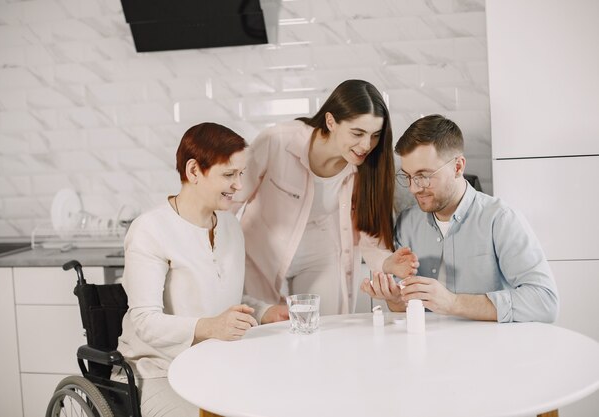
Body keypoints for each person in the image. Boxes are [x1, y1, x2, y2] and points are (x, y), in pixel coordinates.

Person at [113, 122, 289, 417]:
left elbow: (225, 300)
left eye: (241, 174)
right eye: (229, 174)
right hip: (158, 373)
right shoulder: (150, 230)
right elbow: (144, 320)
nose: (238, 185)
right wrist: (209, 326)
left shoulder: (230, 225)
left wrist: (265, 311)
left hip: (216, 365)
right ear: (194, 171)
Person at [232, 79, 418, 315]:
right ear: (331, 121)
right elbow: (230, 200)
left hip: (322, 254)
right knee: (261, 333)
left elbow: (370, 237)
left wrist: (386, 262)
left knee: (327, 332)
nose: (366, 145)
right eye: (357, 133)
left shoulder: (369, 168)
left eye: (375, 135)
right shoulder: (276, 141)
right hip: (263, 252)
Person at [361, 114, 559, 322]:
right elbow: (406, 308)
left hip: (491, 351)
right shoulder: (408, 223)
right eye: (408, 177)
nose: (413, 188)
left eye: (424, 176)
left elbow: (545, 303)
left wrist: (453, 303)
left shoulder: (500, 219)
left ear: (458, 167)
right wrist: (394, 299)